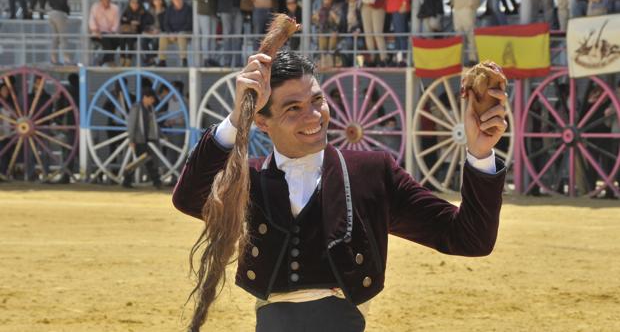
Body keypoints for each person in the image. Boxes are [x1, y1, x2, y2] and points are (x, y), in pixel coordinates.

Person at [172, 50, 508, 331]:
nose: (314, 116)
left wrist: (479, 154)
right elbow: (189, 197)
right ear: (262, 122)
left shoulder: (371, 173)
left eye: (317, 100)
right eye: (293, 108)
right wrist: (235, 120)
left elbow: (468, 238)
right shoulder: (249, 179)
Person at [124, 87, 162, 188]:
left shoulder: (150, 109)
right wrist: (131, 139)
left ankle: (126, 180)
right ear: (145, 97)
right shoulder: (136, 107)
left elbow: (154, 125)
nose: (153, 101)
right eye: (152, 99)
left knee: (139, 161)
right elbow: (132, 124)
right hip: (138, 139)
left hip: (146, 139)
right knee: (147, 160)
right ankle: (157, 181)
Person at [158, 0, 192, 67]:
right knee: (163, 36)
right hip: (172, 34)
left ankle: (184, 60)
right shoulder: (169, 9)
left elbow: (189, 24)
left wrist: (177, 33)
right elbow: (165, 24)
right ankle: (162, 60)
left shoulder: (188, 9)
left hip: (185, 33)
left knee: (181, 35)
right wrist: (170, 33)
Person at [189, 0, 219, 67]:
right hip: (203, 11)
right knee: (206, 35)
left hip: (214, 11)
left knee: (212, 37)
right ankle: (206, 59)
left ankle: (212, 59)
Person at [358, 0, 388, 66]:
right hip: (365, 5)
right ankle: (371, 59)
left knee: (377, 33)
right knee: (368, 34)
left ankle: (384, 58)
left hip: (378, 6)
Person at [89, 0, 121, 66]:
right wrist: (95, 30)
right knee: (105, 37)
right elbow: (91, 20)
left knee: (119, 39)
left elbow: (116, 23)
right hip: (97, 33)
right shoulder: (95, 7)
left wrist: (112, 31)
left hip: (110, 33)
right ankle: (110, 60)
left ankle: (104, 60)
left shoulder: (115, 8)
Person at [312, 0, 341, 68]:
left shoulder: (336, 7)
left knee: (333, 35)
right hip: (323, 32)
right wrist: (315, 17)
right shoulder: (320, 9)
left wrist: (333, 15)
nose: (326, 0)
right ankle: (324, 59)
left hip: (333, 32)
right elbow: (315, 22)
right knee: (321, 35)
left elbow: (339, 22)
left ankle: (330, 60)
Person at [120, 0, 151, 67]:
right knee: (122, 37)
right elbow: (122, 20)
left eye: (136, 2)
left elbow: (143, 23)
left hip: (138, 33)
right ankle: (122, 56)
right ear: (130, 2)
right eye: (132, 2)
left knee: (130, 38)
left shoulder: (142, 11)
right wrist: (131, 22)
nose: (134, 4)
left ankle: (129, 59)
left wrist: (134, 22)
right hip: (127, 32)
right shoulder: (127, 9)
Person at [453, 0, 481, 65]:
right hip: (458, 5)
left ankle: (473, 59)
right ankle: (458, 58)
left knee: (470, 34)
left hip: (468, 5)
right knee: (458, 34)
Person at [218, 0, 244, 67]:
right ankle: (227, 62)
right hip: (225, 8)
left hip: (238, 7)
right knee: (227, 36)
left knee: (238, 36)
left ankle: (237, 62)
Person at [386, 0, 410, 66]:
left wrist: (404, 4)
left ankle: (403, 59)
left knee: (401, 35)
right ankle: (399, 58)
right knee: (398, 35)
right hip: (395, 8)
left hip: (398, 8)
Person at [48, 0, 72, 65]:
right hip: (59, 13)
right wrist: (67, 10)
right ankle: (66, 59)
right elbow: (62, 2)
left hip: (51, 13)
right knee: (63, 37)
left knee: (55, 37)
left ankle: (53, 58)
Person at [338, 0, 363, 67]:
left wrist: (358, 30)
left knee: (360, 44)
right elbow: (342, 22)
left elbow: (362, 21)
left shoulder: (359, 6)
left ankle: (359, 66)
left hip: (358, 33)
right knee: (348, 44)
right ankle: (348, 65)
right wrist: (337, 31)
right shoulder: (344, 7)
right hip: (347, 32)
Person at [142, 0, 166, 66]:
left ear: (161, 0)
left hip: (161, 32)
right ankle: (151, 58)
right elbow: (144, 24)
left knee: (156, 41)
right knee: (143, 40)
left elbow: (166, 25)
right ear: (152, 0)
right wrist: (150, 30)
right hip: (150, 32)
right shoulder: (149, 11)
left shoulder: (165, 11)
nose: (157, 0)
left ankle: (151, 59)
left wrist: (159, 30)